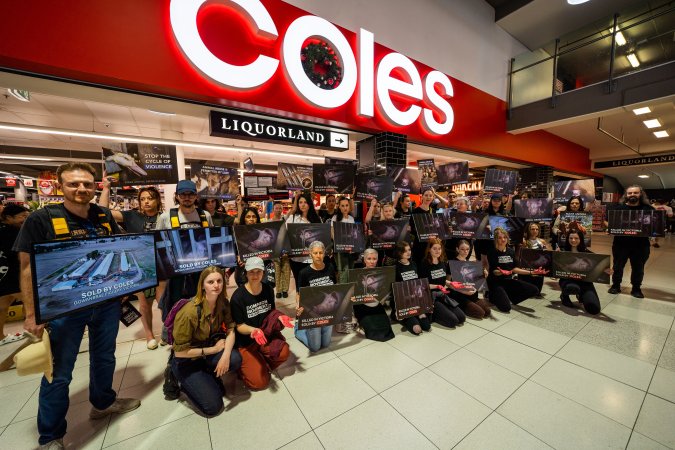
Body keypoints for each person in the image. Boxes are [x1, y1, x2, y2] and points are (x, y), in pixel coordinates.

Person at [14, 163, 140, 449]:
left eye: (87, 183)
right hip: (63, 309)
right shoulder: (41, 219)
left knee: (105, 357)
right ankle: (50, 435)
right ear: (60, 187)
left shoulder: (103, 215)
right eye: (74, 184)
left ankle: (103, 403)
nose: (81, 188)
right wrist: (32, 314)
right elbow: (26, 268)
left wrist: (123, 287)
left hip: (105, 303)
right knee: (58, 373)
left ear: (95, 186)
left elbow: (117, 251)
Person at [170, 266, 241, 416]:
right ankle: (174, 377)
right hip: (186, 360)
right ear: (202, 285)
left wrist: (226, 355)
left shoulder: (223, 304)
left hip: (205, 353)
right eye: (210, 282)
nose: (216, 285)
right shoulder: (189, 312)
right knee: (213, 407)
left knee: (234, 359)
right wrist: (214, 351)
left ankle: (207, 373)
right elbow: (179, 353)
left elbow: (231, 330)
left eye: (219, 281)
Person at [100, 185, 163, 349]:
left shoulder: (165, 217)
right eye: (142, 199)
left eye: (150, 198)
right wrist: (106, 188)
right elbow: (102, 211)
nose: (146, 202)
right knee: (144, 303)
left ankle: (166, 332)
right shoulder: (131, 216)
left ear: (157, 200)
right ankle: (149, 335)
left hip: (162, 266)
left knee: (163, 301)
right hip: (141, 266)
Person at [156, 179, 214, 344]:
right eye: (183, 194)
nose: (187, 198)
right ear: (177, 196)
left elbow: (211, 242)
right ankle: (177, 342)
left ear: (196, 196)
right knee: (176, 307)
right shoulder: (166, 217)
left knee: (201, 305)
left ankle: (200, 337)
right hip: (177, 275)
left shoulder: (205, 216)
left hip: (200, 272)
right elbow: (158, 244)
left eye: (190, 194)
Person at [230, 257, 292, 390]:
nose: (255, 275)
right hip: (247, 341)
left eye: (259, 271)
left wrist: (279, 317)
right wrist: (253, 330)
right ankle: (248, 365)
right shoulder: (237, 297)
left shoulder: (268, 290)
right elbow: (239, 326)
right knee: (259, 383)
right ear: (245, 273)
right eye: (251, 272)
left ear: (263, 273)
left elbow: (272, 312)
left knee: (284, 352)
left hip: (265, 335)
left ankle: (262, 361)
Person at [608, 185, 654, 298]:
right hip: (620, 244)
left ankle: (636, 288)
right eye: (630, 193)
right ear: (626, 195)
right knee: (618, 266)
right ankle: (615, 285)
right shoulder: (618, 209)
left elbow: (654, 225)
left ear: (641, 194)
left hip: (641, 245)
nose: (632, 195)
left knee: (638, 267)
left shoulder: (648, 209)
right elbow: (607, 222)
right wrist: (610, 228)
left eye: (635, 192)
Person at [485, 227, 543, 312]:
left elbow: (514, 268)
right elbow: (493, 271)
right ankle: (491, 295)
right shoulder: (492, 252)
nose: (503, 239)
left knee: (534, 290)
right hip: (496, 282)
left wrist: (531, 272)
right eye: (500, 238)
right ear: (496, 239)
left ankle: (508, 296)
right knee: (506, 308)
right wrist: (501, 272)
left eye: (504, 237)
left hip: (508, 281)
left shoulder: (510, 251)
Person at [295, 241, 336, 351]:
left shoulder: (330, 267)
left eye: (321, 253)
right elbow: (299, 293)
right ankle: (298, 328)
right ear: (310, 254)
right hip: (312, 313)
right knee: (315, 347)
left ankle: (316, 331)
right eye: (315, 253)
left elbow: (335, 288)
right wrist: (299, 306)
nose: (318, 256)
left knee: (326, 344)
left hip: (327, 312)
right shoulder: (304, 273)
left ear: (324, 254)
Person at [419, 238, 466, 328]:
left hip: (442, 294)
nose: (437, 251)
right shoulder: (424, 264)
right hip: (431, 296)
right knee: (453, 321)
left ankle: (443, 311)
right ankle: (434, 316)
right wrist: (437, 286)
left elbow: (443, 280)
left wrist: (451, 283)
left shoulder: (442, 262)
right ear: (429, 249)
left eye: (439, 248)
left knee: (461, 318)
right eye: (434, 248)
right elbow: (423, 285)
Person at [557, 231, 608, 314]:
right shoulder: (562, 251)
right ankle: (564, 296)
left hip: (585, 282)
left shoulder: (586, 252)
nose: (573, 240)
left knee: (594, 309)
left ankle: (581, 295)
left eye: (576, 238)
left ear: (581, 239)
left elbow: (599, 264)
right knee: (572, 287)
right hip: (568, 280)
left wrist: (606, 270)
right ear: (567, 239)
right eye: (571, 238)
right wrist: (556, 256)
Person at [0, 204, 30, 345]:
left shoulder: (4, 230)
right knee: (31, 302)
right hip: (15, 276)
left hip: (3, 276)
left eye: (27, 216)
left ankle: (0, 337)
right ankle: (33, 332)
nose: (25, 219)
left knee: (2, 306)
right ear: (8, 218)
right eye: (22, 216)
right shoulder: (13, 232)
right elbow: (21, 255)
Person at [351, 248, 395, 341]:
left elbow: (385, 292)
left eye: (374, 259)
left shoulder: (383, 273)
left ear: (377, 259)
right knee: (372, 330)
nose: (372, 261)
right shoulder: (357, 274)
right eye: (369, 259)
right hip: (362, 307)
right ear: (364, 259)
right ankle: (360, 323)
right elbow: (353, 294)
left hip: (376, 305)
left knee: (386, 330)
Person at [285, 192, 322, 294]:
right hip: (296, 259)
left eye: (305, 202)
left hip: (312, 259)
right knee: (299, 285)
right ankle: (300, 307)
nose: (303, 204)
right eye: (300, 202)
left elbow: (322, 237)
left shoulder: (316, 219)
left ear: (309, 204)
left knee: (312, 285)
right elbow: (285, 234)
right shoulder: (292, 218)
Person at [394, 241, 432, 335]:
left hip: (416, 300)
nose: (408, 253)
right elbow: (395, 289)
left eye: (409, 250)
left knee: (427, 326)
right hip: (403, 302)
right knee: (417, 329)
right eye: (405, 251)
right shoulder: (395, 267)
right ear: (399, 253)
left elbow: (419, 283)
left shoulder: (414, 264)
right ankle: (398, 315)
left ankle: (414, 315)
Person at [450, 240, 491, 319]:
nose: (465, 252)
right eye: (462, 249)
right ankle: (461, 306)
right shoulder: (452, 263)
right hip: (460, 294)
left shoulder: (471, 263)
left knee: (487, 311)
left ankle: (471, 304)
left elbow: (476, 282)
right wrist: (462, 289)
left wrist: (483, 276)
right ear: (457, 249)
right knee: (480, 313)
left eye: (467, 249)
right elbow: (448, 282)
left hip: (471, 293)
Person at [518, 222, 549, 296]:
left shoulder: (542, 241)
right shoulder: (524, 241)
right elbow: (519, 255)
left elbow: (547, 253)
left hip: (538, 267)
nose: (535, 231)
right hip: (527, 267)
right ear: (528, 230)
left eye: (536, 229)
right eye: (532, 229)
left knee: (537, 291)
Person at [270, 201, 291, 299]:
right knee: (277, 271)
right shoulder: (269, 221)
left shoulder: (285, 219)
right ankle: (278, 291)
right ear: (273, 209)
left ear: (282, 209)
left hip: (285, 250)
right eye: (276, 208)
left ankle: (285, 290)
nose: (278, 210)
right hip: (275, 251)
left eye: (280, 208)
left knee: (286, 270)